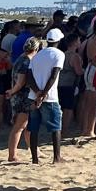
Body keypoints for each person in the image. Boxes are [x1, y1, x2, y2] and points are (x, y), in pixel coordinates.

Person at [27, 29, 65, 164]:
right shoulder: (59, 55)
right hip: (50, 97)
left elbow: (29, 77)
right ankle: (56, 157)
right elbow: (54, 76)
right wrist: (43, 94)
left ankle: (34, 158)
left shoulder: (37, 55)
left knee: (34, 127)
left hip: (33, 95)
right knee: (56, 126)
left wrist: (37, 92)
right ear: (59, 41)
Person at [5, 37, 39, 161]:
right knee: (20, 126)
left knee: (27, 126)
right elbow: (20, 82)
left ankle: (34, 150)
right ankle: (12, 155)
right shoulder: (26, 62)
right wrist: (12, 91)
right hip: (22, 97)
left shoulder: (20, 58)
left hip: (20, 96)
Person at [57, 33, 83, 138]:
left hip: (59, 83)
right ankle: (64, 131)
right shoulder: (74, 56)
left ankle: (59, 130)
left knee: (61, 108)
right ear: (75, 43)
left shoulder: (62, 54)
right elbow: (78, 71)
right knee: (68, 109)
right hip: (69, 84)